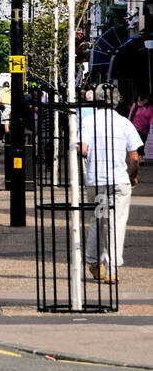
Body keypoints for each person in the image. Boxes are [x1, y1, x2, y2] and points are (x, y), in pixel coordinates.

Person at [76, 91, 142, 283]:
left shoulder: (89, 122)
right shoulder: (125, 123)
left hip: (97, 181)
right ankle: (112, 270)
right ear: (116, 102)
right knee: (117, 224)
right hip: (119, 181)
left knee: (98, 220)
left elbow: (84, 149)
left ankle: (93, 262)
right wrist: (133, 176)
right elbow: (135, 157)